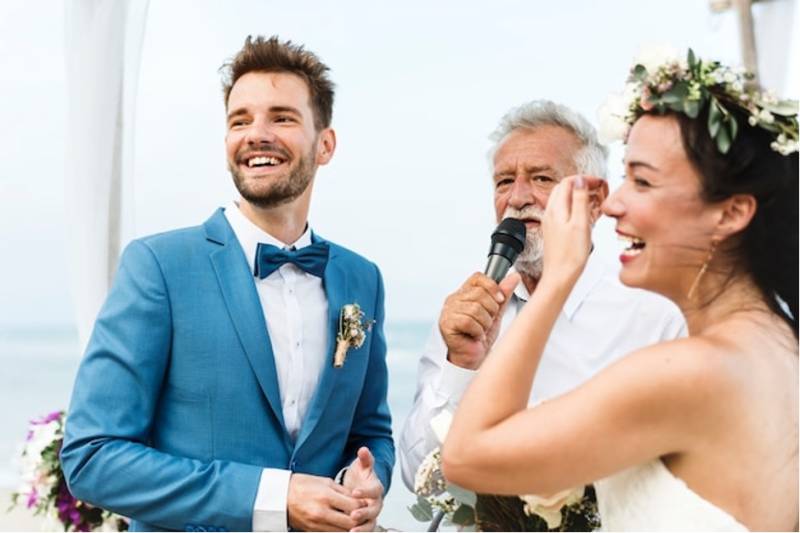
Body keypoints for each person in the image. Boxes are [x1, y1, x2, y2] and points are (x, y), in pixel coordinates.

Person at [442, 50, 798, 531]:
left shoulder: (690, 372)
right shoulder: (776, 343)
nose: (612, 206)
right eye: (624, 176)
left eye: (643, 182)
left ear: (731, 213)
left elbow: (465, 456)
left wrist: (558, 281)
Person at [60, 36, 393, 532]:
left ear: (325, 144)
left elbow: (372, 430)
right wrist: (275, 497)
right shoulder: (158, 266)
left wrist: (364, 480)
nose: (257, 134)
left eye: (282, 117)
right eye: (240, 121)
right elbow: (92, 457)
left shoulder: (360, 278)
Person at [399, 100, 686, 489]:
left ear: (595, 203)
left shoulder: (654, 314)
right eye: (504, 181)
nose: (517, 197)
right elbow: (420, 482)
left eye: (541, 178)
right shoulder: (468, 314)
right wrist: (460, 366)